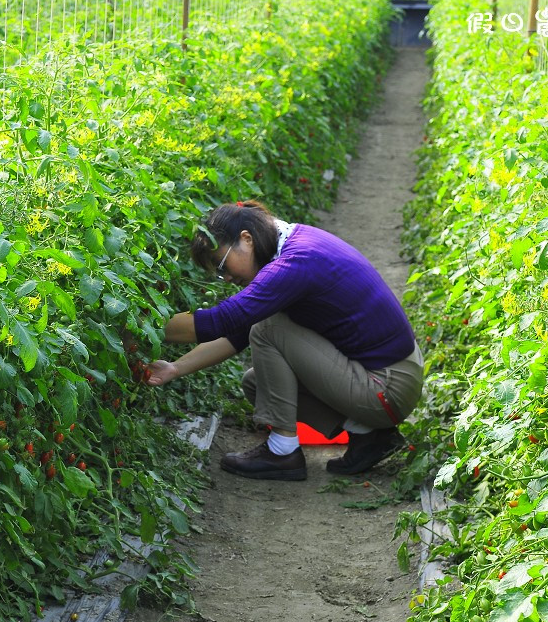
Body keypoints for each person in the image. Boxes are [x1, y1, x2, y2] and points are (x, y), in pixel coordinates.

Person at [145, 199, 424, 481]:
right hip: (389, 378)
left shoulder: (296, 262)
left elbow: (224, 320)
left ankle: (282, 453)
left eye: (223, 265)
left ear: (246, 239)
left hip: (388, 387)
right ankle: (369, 436)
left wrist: (142, 324)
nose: (227, 278)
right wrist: (175, 368)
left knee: (268, 329)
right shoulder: (290, 245)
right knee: (258, 384)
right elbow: (237, 332)